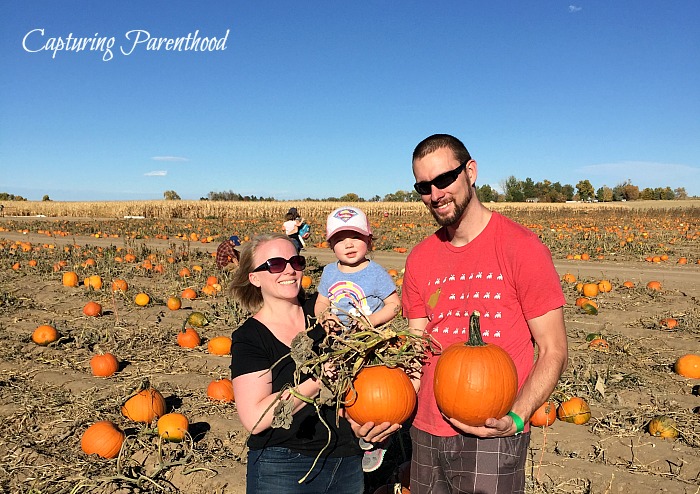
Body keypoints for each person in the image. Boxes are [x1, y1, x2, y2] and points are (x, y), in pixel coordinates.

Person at [402, 134, 568, 494]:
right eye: (424, 186)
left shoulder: (522, 248)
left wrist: (517, 416)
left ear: (470, 172)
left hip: (492, 431)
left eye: (444, 179)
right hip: (426, 429)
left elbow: (553, 348)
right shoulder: (419, 258)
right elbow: (415, 348)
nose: (436, 193)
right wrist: (390, 411)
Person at [229, 232, 368, 494]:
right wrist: (317, 383)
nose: (290, 270)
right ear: (254, 277)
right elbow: (255, 418)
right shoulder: (250, 337)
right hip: (282, 465)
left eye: (296, 261)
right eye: (276, 265)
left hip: (346, 458)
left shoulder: (325, 312)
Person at [314, 206, 402, 473]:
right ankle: (355, 433)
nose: (348, 244)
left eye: (356, 236)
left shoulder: (375, 273)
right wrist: (324, 316)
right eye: (340, 239)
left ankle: (378, 440)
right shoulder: (330, 272)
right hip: (341, 346)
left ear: (368, 239)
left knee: (372, 395)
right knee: (342, 393)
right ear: (331, 244)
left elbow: (393, 304)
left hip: (370, 346)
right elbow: (321, 302)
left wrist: (370, 323)